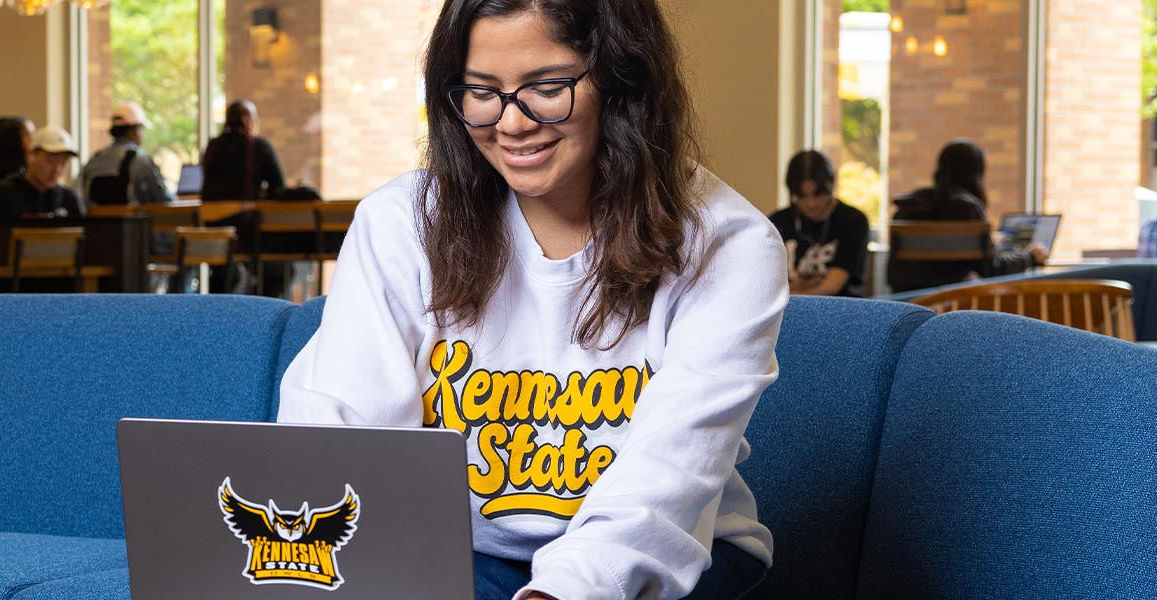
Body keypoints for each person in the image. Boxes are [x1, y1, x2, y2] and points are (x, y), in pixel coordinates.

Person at [277, 1, 781, 598]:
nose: (511, 123)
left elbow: (664, 485)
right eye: (481, 91)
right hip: (467, 555)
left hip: (665, 559)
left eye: (546, 87)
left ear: (621, 82)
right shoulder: (400, 223)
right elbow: (342, 432)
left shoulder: (728, 244)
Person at [886, 140, 1046, 293]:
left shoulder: (907, 207)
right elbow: (991, 269)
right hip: (951, 303)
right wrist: (1030, 256)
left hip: (906, 301)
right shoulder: (968, 209)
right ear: (978, 173)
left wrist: (986, 242)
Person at [770, 150, 868, 297]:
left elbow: (833, 286)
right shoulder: (777, 222)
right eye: (802, 196)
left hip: (839, 311)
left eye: (817, 194)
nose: (811, 204)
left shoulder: (853, 221)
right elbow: (766, 284)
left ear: (829, 187)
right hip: (787, 311)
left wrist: (790, 293)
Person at [81, 102, 176, 206]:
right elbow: (162, 198)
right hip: (132, 222)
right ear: (133, 130)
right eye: (141, 129)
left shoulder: (95, 159)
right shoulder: (141, 159)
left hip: (96, 222)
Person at [0, 126, 85, 220]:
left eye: (63, 163)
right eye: (50, 161)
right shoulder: (2, 195)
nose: (56, 170)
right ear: (31, 156)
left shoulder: (68, 199)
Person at [201, 100, 286, 201]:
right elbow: (278, 187)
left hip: (208, 213)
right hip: (242, 214)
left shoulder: (213, 146)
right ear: (248, 121)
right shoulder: (260, 146)